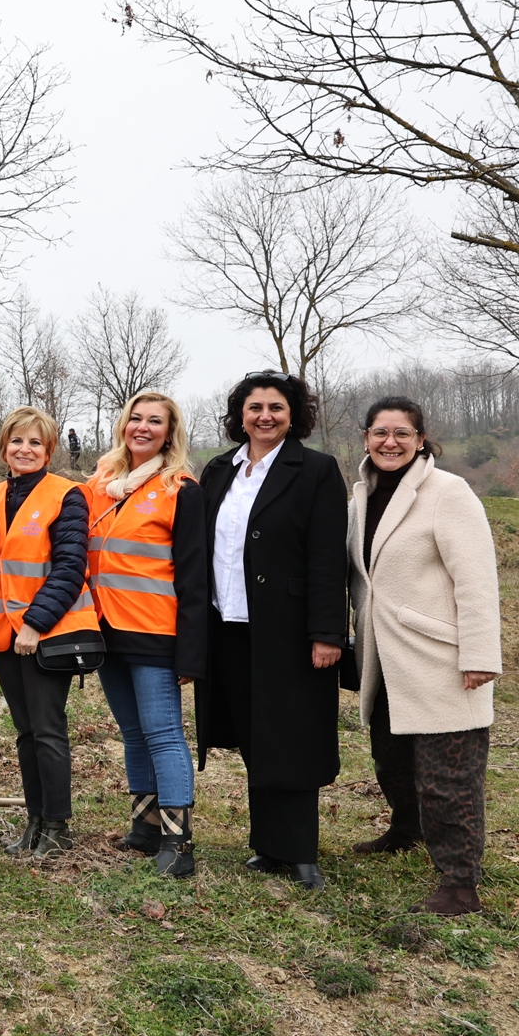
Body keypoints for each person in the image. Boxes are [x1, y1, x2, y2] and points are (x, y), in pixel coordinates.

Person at [347, 396, 501, 916]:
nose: (390, 442)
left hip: (439, 657)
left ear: (420, 439)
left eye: (402, 434)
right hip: (384, 658)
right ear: (366, 438)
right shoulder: (360, 497)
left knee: (448, 778)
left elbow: (476, 580)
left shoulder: (448, 492)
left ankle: (460, 883)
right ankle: (406, 830)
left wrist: (480, 655)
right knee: (391, 760)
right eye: (380, 432)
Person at [197, 372, 348, 892]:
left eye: (276, 408)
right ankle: (267, 845)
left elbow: (327, 557)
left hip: (290, 630)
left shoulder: (316, 470)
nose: (265, 416)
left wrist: (327, 632)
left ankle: (300, 851)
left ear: (293, 415)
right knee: (253, 736)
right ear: (240, 415)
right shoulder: (219, 470)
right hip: (227, 625)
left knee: (293, 736)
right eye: (255, 407)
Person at [85, 391, 208, 878]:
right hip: (104, 628)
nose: (142, 427)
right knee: (132, 733)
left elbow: (195, 577)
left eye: (155, 421)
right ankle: (145, 826)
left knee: (163, 733)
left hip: (155, 631)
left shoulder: (181, 490)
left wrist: (191, 652)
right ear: (123, 425)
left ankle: (178, 843)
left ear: (170, 432)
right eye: (135, 418)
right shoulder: (100, 485)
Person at [0, 406, 94, 861]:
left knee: (48, 728)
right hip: (3, 634)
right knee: (25, 731)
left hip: (48, 632)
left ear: (49, 451)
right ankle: (34, 820)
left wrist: (34, 624)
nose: (25, 449)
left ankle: (57, 826)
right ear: (4, 448)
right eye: (17, 441)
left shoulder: (66, 495)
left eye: (35, 442)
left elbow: (70, 567)